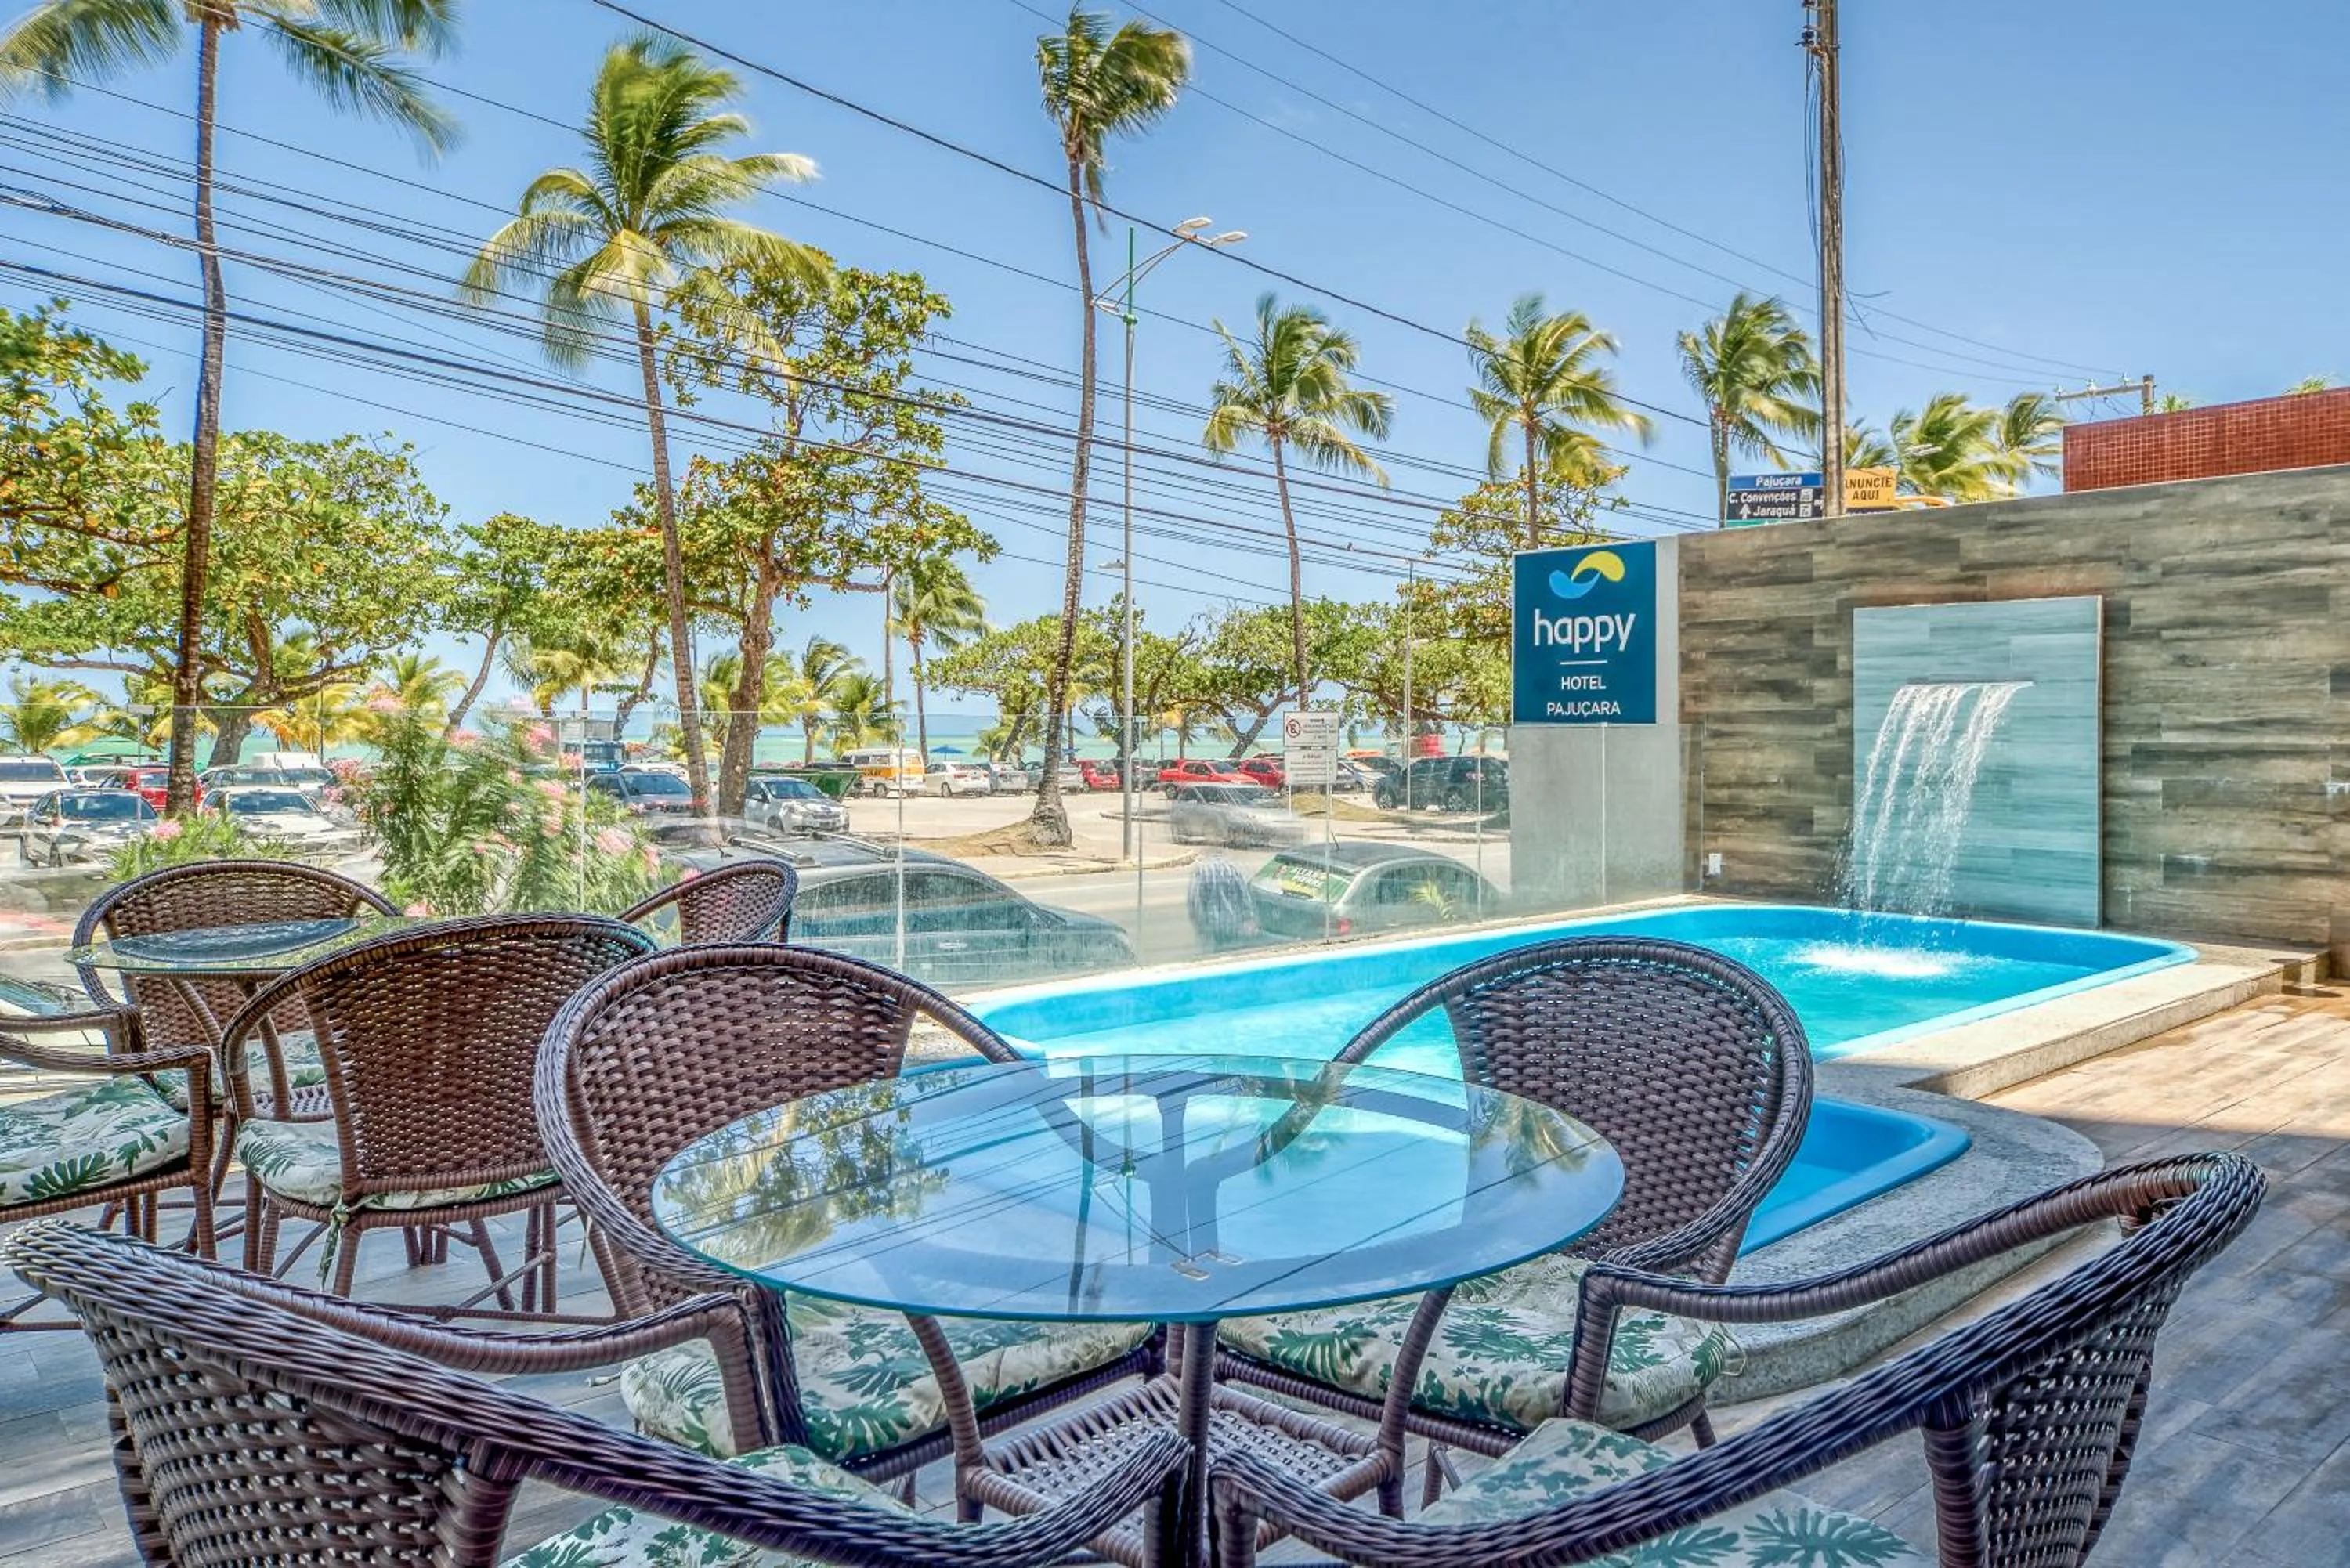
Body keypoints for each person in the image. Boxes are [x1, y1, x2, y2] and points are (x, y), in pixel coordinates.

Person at [1187, 851, 1258, 952]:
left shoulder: (1201, 871)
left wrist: (1200, 927)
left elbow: (1194, 902)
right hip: (1235, 924)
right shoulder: (1232, 868)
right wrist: (1249, 918)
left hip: (1214, 927)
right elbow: (1244, 894)